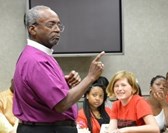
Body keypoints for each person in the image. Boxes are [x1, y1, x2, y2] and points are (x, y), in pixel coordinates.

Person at [13, 5, 105, 133]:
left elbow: (43, 96)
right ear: (32, 29)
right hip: (46, 129)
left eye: (59, 26)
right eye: (51, 25)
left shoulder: (40, 56)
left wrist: (63, 84)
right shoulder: (35, 60)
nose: (57, 30)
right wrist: (90, 77)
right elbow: (61, 104)